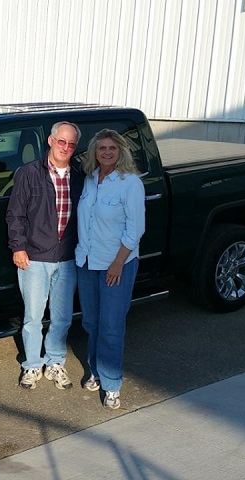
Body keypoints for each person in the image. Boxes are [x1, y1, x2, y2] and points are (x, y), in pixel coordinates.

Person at [6, 121, 84, 390]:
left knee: (62, 317)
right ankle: (31, 365)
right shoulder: (29, 173)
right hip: (35, 257)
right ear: (50, 141)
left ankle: (55, 362)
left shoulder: (79, 175)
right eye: (61, 141)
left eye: (71, 144)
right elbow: (15, 214)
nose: (66, 147)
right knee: (33, 317)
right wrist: (18, 247)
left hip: (67, 258)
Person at [75, 128, 146, 409]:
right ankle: (95, 369)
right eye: (101, 148)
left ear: (121, 152)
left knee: (111, 327)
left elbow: (136, 228)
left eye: (112, 148)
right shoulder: (90, 180)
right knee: (91, 322)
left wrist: (117, 263)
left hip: (116, 264)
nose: (106, 152)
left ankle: (112, 382)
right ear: (94, 151)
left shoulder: (130, 183)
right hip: (87, 262)